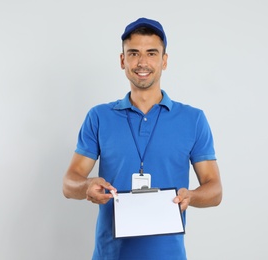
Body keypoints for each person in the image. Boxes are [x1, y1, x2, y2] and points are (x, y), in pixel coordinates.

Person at [63, 17, 222, 260]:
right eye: (134, 53)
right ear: (122, 60)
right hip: (110, 255)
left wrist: (191, 195)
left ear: (164, 61)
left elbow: (215, 190)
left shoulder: (194, 119)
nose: (142, 62)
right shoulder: (99, 117)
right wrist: (85, 186)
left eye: (151, 53)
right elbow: (69, 184)